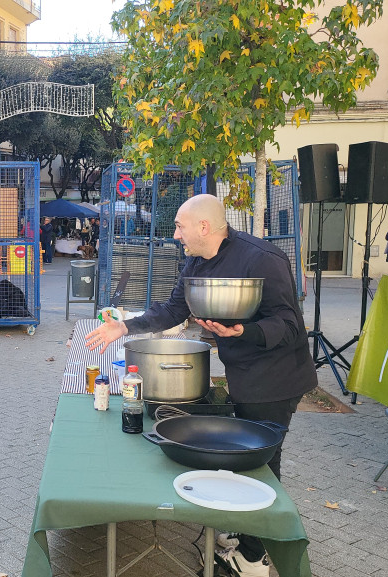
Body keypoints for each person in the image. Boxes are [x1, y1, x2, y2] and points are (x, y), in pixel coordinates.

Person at [85, 194, 316, 577]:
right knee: (239, 456)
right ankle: (241, 530)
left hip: (277, 376)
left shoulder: (263, 259)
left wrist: (245, 330)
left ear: (204, 227)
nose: (176, 235)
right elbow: (176, 309)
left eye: (179, 226)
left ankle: (254, 556)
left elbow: (289, 323)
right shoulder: (195, 260)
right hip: (242, 372)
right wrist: (123, 327)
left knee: (262, 465)